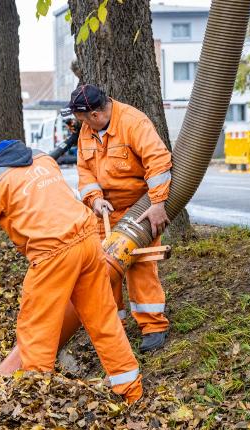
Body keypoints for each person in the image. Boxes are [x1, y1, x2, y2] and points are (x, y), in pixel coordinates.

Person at [0, 126, 143, 403]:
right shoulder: (40, 158)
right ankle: (131, 391)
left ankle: (35, 402)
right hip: (89, 242)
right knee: (103, 320)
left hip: (53, 253)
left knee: (36, 328)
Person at [67, 84, 171, 353]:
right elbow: (84, 170)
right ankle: (114, 329)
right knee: (104, 268)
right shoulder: (87, 131)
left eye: (81, 120)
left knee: (140, 267)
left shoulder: (133, 123)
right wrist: (94, 198)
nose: (81, 126)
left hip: (138, 209)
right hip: (105, 211)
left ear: (95, 114)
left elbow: (158, 162)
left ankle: (153, 326)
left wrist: (158, 203)